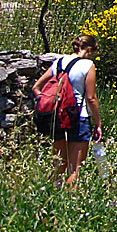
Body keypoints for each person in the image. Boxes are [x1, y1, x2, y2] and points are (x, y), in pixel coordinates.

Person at [32, 34, 103, 187]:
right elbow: (91, 98)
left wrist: (47, 101)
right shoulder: (87, 65)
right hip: (78, 117)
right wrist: (98, 123)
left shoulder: (59, 62)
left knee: (58, 166)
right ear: (90, 50)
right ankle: (70, 205)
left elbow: (36, 88)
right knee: (74, 169)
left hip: (57, 117)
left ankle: (49, 197)